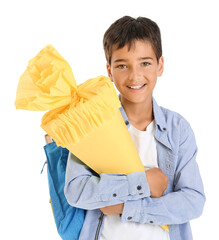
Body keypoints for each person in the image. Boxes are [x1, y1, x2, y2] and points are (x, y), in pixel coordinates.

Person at [64, 16, 205, 240]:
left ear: (160, 65)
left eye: (145, 63)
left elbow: (193, 201)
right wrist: (143, 183)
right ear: (109, 71)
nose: (135, 75)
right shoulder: (92, 124)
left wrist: (127, 207)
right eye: (122, 65)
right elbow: (76, 191)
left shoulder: (178, 129)